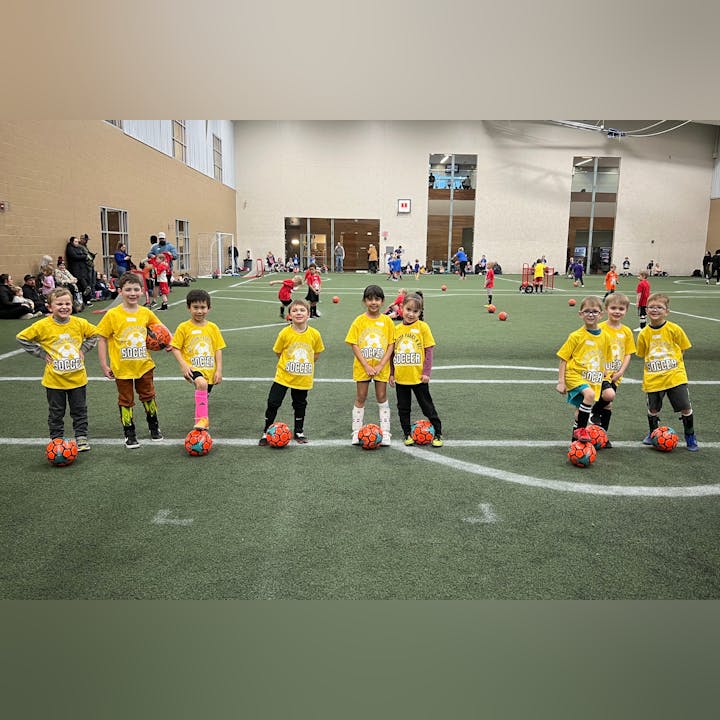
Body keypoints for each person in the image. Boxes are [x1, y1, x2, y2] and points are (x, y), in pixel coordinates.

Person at [16, 287, 99, 451]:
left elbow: (95, 334)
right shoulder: (43, 325)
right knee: (56, 412)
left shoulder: (79, 323)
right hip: (54, 380)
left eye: (67, 303)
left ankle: (81, 437)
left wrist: (83, 349)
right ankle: (56, 440)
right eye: (59, 304)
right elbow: (22, 338)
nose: (64, 307)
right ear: (50, 307)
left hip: (77, 379)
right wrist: (40, 353)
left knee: (79, 410)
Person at [96, 272, 165, 448]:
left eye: (136, 289)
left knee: (148, 396)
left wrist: (167, 342)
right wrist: (104, 364)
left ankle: (154, 427)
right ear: (120, 291)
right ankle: (129, 432)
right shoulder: (113, 314)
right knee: (126, 400)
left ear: (142, 291)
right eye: (128, 290)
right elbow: (102, 338)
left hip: (144, 365)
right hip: (122, 368)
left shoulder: (145, 313)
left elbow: (160, 330)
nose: (132, 293)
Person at [636, 293, 698, 451]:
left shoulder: (674, 329)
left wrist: (674, 364)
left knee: (685, 406)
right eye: (651, 307)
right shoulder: (644, 333)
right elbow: (643, 354)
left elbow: (683, 348)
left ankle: (690, 435)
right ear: (646, 309)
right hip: (653, 379)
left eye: (659, 307)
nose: (654, 310)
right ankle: (653, 433)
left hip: (675, 377)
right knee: (653, 409)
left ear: (667, 311)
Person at [258, 298, 324, 445]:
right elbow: (278, 352)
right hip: (283, 375)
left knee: (300, 404)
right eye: (294, 310)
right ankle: (266, 431)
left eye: (302, 310)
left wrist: (304, 365)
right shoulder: (284, 333)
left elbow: (316, 353)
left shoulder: (315, 334)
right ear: (290, 315)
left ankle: (299, 431)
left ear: (308, 314)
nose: (298, 313)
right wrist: (289, 364)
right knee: (273, 402)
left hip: (303, 377)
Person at [389, 292, 443, 447]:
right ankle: (407, 433)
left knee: (427, 407)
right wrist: (392, 373)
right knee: (403, 408)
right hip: (401, 378)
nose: (411, 314)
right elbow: (392, 353)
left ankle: (438, 432)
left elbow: (429, 350)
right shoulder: (396, 329)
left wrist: (426, 372)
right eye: (408, 309)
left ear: (420, 313)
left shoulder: (423, 327)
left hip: (418, 377)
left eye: (415, 311)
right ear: (401, 308)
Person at [555, 295, 610, 443]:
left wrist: (605, 373)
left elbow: (603, 356)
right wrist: (561, 382)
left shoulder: (605, 337)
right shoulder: (576, 336)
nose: (590, 314)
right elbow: (563, 359)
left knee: (580, 411)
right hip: (575, 375)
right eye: (586, 311)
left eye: (594, 311)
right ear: (580, 314)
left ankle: (575, 443)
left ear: (601, 314)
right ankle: (581, 430)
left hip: (593, 377)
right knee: (590, 395)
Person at [345, 285, 395, 446]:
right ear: (365, 301)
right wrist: (366, 365)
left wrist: (381, 365)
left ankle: (386, 432)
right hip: (362, 367)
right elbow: (354, 344)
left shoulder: (387, 321)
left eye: (377, 299)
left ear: (382, 301)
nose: (373, 302)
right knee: (361, 397)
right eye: (370, 299)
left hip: (382, 367)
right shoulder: (359, 321)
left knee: (382, 397)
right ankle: (356, 431)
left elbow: (391, 345)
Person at [170, 289, 226, 431]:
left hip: (210, 370)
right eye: (195, 307)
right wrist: (183, 365)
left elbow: (218, 349)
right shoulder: (183, 327)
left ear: (209, 308)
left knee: (204, 393)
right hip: (192, 368)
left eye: (203, 307)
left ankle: (200, 425)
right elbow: (175, 347)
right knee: (201, 383)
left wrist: (219, 370)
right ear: (188, 308)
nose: (199, 311)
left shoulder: (213, 328)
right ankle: (202, 420)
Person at [593, 292, 636, 446]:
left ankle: (602, 436)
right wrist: (601, 368)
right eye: (613, 308)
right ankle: (594, 413)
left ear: (626, 311)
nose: (617, 311)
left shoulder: (626, 331)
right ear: (606, 309)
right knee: (609, 396)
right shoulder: (600, 328)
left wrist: (621, 372)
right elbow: (594, 349)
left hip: (616, 374)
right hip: (600, 372)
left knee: (608, 404)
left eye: (621, 309)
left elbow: (628, 353)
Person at [65, 236, 92, 306]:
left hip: (82, 269)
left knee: (85, 283)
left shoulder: (79, 248)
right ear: (72, 242)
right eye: (75, 242)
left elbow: (85, 254)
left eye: (77, 241)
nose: (77, 243)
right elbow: (75, 256)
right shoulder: (70, 248)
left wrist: (83, 256)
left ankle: (87, 299)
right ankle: (84, 299)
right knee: (81, 285)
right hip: (75, 270)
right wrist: (83, 256)